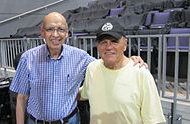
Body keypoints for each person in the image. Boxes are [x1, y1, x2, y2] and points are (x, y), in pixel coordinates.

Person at [10, 12, 147, 124]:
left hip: (70, 121)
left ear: (67, 32)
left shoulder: (81, 57)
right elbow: (21, 98)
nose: (56, 35)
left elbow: (105, 64)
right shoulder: (27, 58)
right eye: (50, 29)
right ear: (42, 32)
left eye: (61, 30)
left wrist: (129, 60)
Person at [79, 21, 166, 124]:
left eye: (114, 41)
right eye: (103, 42)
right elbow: (83, 94)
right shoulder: (92, 68)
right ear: (97, 46)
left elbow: (152, 120)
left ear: (125, 44)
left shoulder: (141, 73)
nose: (108, 47)